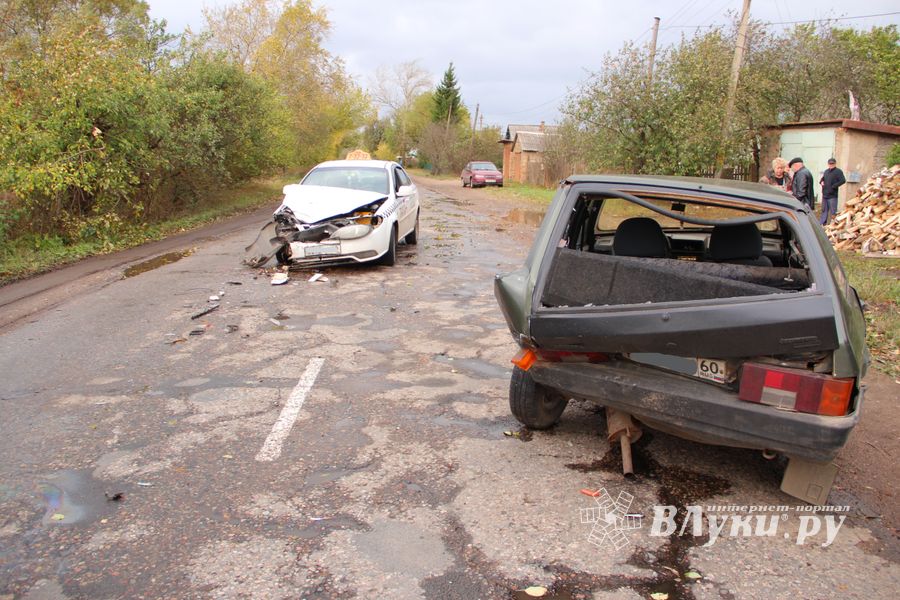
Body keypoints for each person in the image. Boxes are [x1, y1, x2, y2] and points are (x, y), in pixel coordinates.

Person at [819, 158, 846, 226]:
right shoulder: (826, 171)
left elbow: (843, 180)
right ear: (828, 164)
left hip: (832, 195)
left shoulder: (838, 171)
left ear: (835, 164)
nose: (831, 165)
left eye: (832, 164)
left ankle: (833, 225)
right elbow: (822, 179)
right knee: (824, 210)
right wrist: (821, 182)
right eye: (830, 164)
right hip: (825, 194)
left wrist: (834, 186)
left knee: (833, 211)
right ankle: (822, 224)